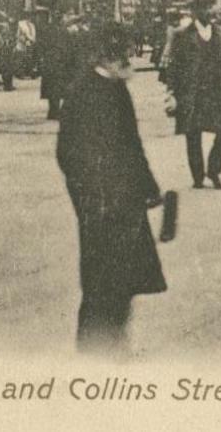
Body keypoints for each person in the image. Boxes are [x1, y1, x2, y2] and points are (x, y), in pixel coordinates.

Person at [56, 21, 166, 351]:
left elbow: (133, 144)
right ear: (110, 58)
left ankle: (114, 341)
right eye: (127, 55)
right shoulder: (82, 92)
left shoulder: (117, 89)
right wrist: (91, 196)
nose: (132, 61)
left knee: (124, 277)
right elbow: (67, 154)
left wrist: (148, 187)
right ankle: (93, 351)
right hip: (101, 205)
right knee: (102, 281)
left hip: (126, 201)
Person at [166, 0, 221, 189]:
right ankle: (198, 177)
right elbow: (173, 66)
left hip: (217, 91)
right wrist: (171, 93)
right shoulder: (182, 35)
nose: (205, 11)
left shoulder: (220, 32)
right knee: (193, 135)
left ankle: (214, 170)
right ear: (193, 11)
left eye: (207, 6)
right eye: (199, 7)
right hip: (192, 91)